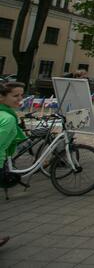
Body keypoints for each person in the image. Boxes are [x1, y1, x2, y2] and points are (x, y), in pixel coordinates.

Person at [0, 82, 27, 248]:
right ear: (2, 97)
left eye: (21, 95)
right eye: (15, 96)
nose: (20, 99)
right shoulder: (8, 118)